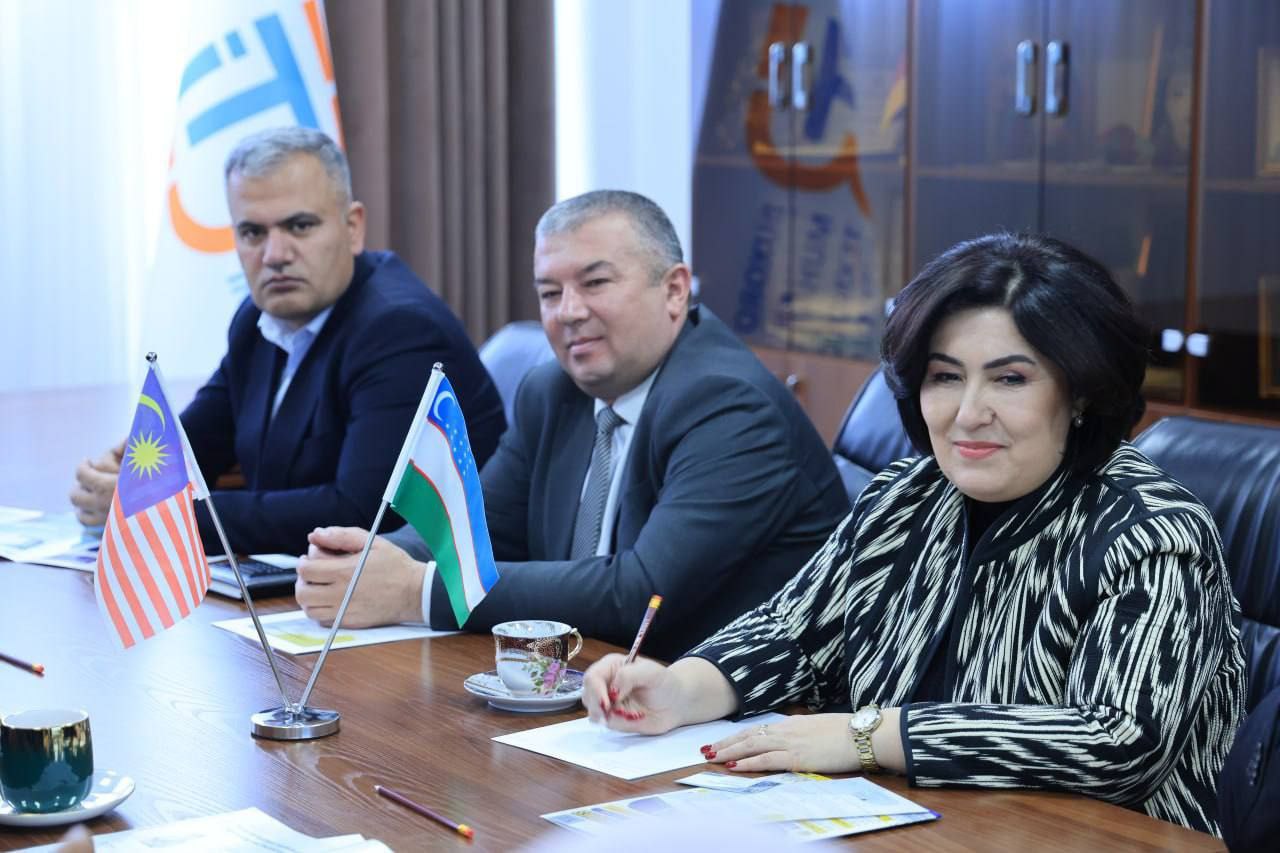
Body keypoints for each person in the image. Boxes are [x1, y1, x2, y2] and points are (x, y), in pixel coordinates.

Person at [583, 232, 1246, 835]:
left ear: (1080, 392)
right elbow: (791, 632)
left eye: (1010, 379)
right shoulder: (905, 496)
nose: (968, 413)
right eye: (945, 377)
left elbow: (1118, 741)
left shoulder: (1152, 531)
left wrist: (871, 734)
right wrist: (680, 689)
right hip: (907, 826)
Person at [295, 190, 850, 660]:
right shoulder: (553, 391)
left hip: (745, 709)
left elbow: (640, 596)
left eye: (596, 283)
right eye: (549, 293)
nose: (569, 312)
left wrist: (416, 590)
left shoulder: (728, 404)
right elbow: (478, 531)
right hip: (593, 680)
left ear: (675, 290)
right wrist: (367, 560)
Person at [69, 127, 505, 556]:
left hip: (431, 591)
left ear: (353, 228)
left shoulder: (400, 330)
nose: (274, 255)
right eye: (252, 233)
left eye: (299, 226)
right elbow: (194, 449)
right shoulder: (258, 318)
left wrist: (158, 514)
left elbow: (357, 515)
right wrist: (131, 476)